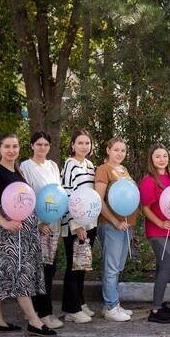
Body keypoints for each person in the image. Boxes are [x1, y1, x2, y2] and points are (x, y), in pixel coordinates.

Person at [0, 133, 55, 337]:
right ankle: (34, 321)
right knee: (20, 274)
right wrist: (5, 223)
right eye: (7, 146)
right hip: (8, 236)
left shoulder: (17, 171)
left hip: (23, 234)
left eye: (14, 146)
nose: (11, 150)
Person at [21, 131, 64, 329]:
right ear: (32, 146)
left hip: (54, 223)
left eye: (46, 144)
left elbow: (58, 193)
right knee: (41, 270)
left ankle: (39, 309)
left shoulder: (53, 165)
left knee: (50, 267)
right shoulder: (26, 166)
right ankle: (44, 313)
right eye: (39, 144)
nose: (42, 148)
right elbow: (26, 196)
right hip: (38, 226)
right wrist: (38, 222)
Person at [95, 137, 139, 322]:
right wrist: (114, 221)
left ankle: (112, 304)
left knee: (119, 266)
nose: (119, 153)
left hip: (126, 225)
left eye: (123, 150)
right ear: (108, 150)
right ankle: (111, 306)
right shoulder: (103, 170)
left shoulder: (124, 170)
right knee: (112, 267)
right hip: (111, 225)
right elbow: (99, 200)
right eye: (116, 150)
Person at [139, 143, 170, 324]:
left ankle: (160, 303)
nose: (162, 159)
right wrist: (160, 223)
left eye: (164, 155)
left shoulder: (169, 178)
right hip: (158, 230)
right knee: (167, 266)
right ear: (151, 159)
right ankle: (155, 310)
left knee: (161, 267)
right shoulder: (149, 180)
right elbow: (145, 208)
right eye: (157, 156)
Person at [60, 129, 98, 324]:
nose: (84, 146)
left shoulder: (90, 165)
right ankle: (71, 309)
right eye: (80, 143)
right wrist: (76, 225)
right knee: (74, 267)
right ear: (72, 145)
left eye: (87, 143)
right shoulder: (70, 166)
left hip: (90, 222)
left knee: (82, 265)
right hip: (75, 225)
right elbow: (67, 195)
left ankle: (80, 302)